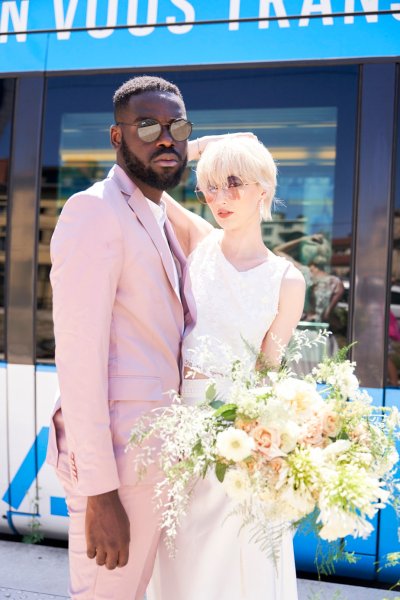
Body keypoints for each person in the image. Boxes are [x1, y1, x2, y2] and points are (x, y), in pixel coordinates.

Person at [46, 74, 211, 599]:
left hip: (161, 462)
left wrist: (200, 154)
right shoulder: (93, 210)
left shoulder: (159, 214)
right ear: (116, 138)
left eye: (176, 127)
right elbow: (78, 358)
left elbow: (230, 244)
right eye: (146, 126)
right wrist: (100, 493)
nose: (166, 138)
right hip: (118, 471)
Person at [147, 137, 306, 600]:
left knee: (238, 567)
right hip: (178, 431)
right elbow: (136, 186)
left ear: (264, 189)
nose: (219, 198)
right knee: (180, 563)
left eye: (233, 183)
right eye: (210, 188)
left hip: (242, 443)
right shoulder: (198, 240)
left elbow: (267, 372)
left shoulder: (287, 280)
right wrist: (194, 150)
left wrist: (271, 447)